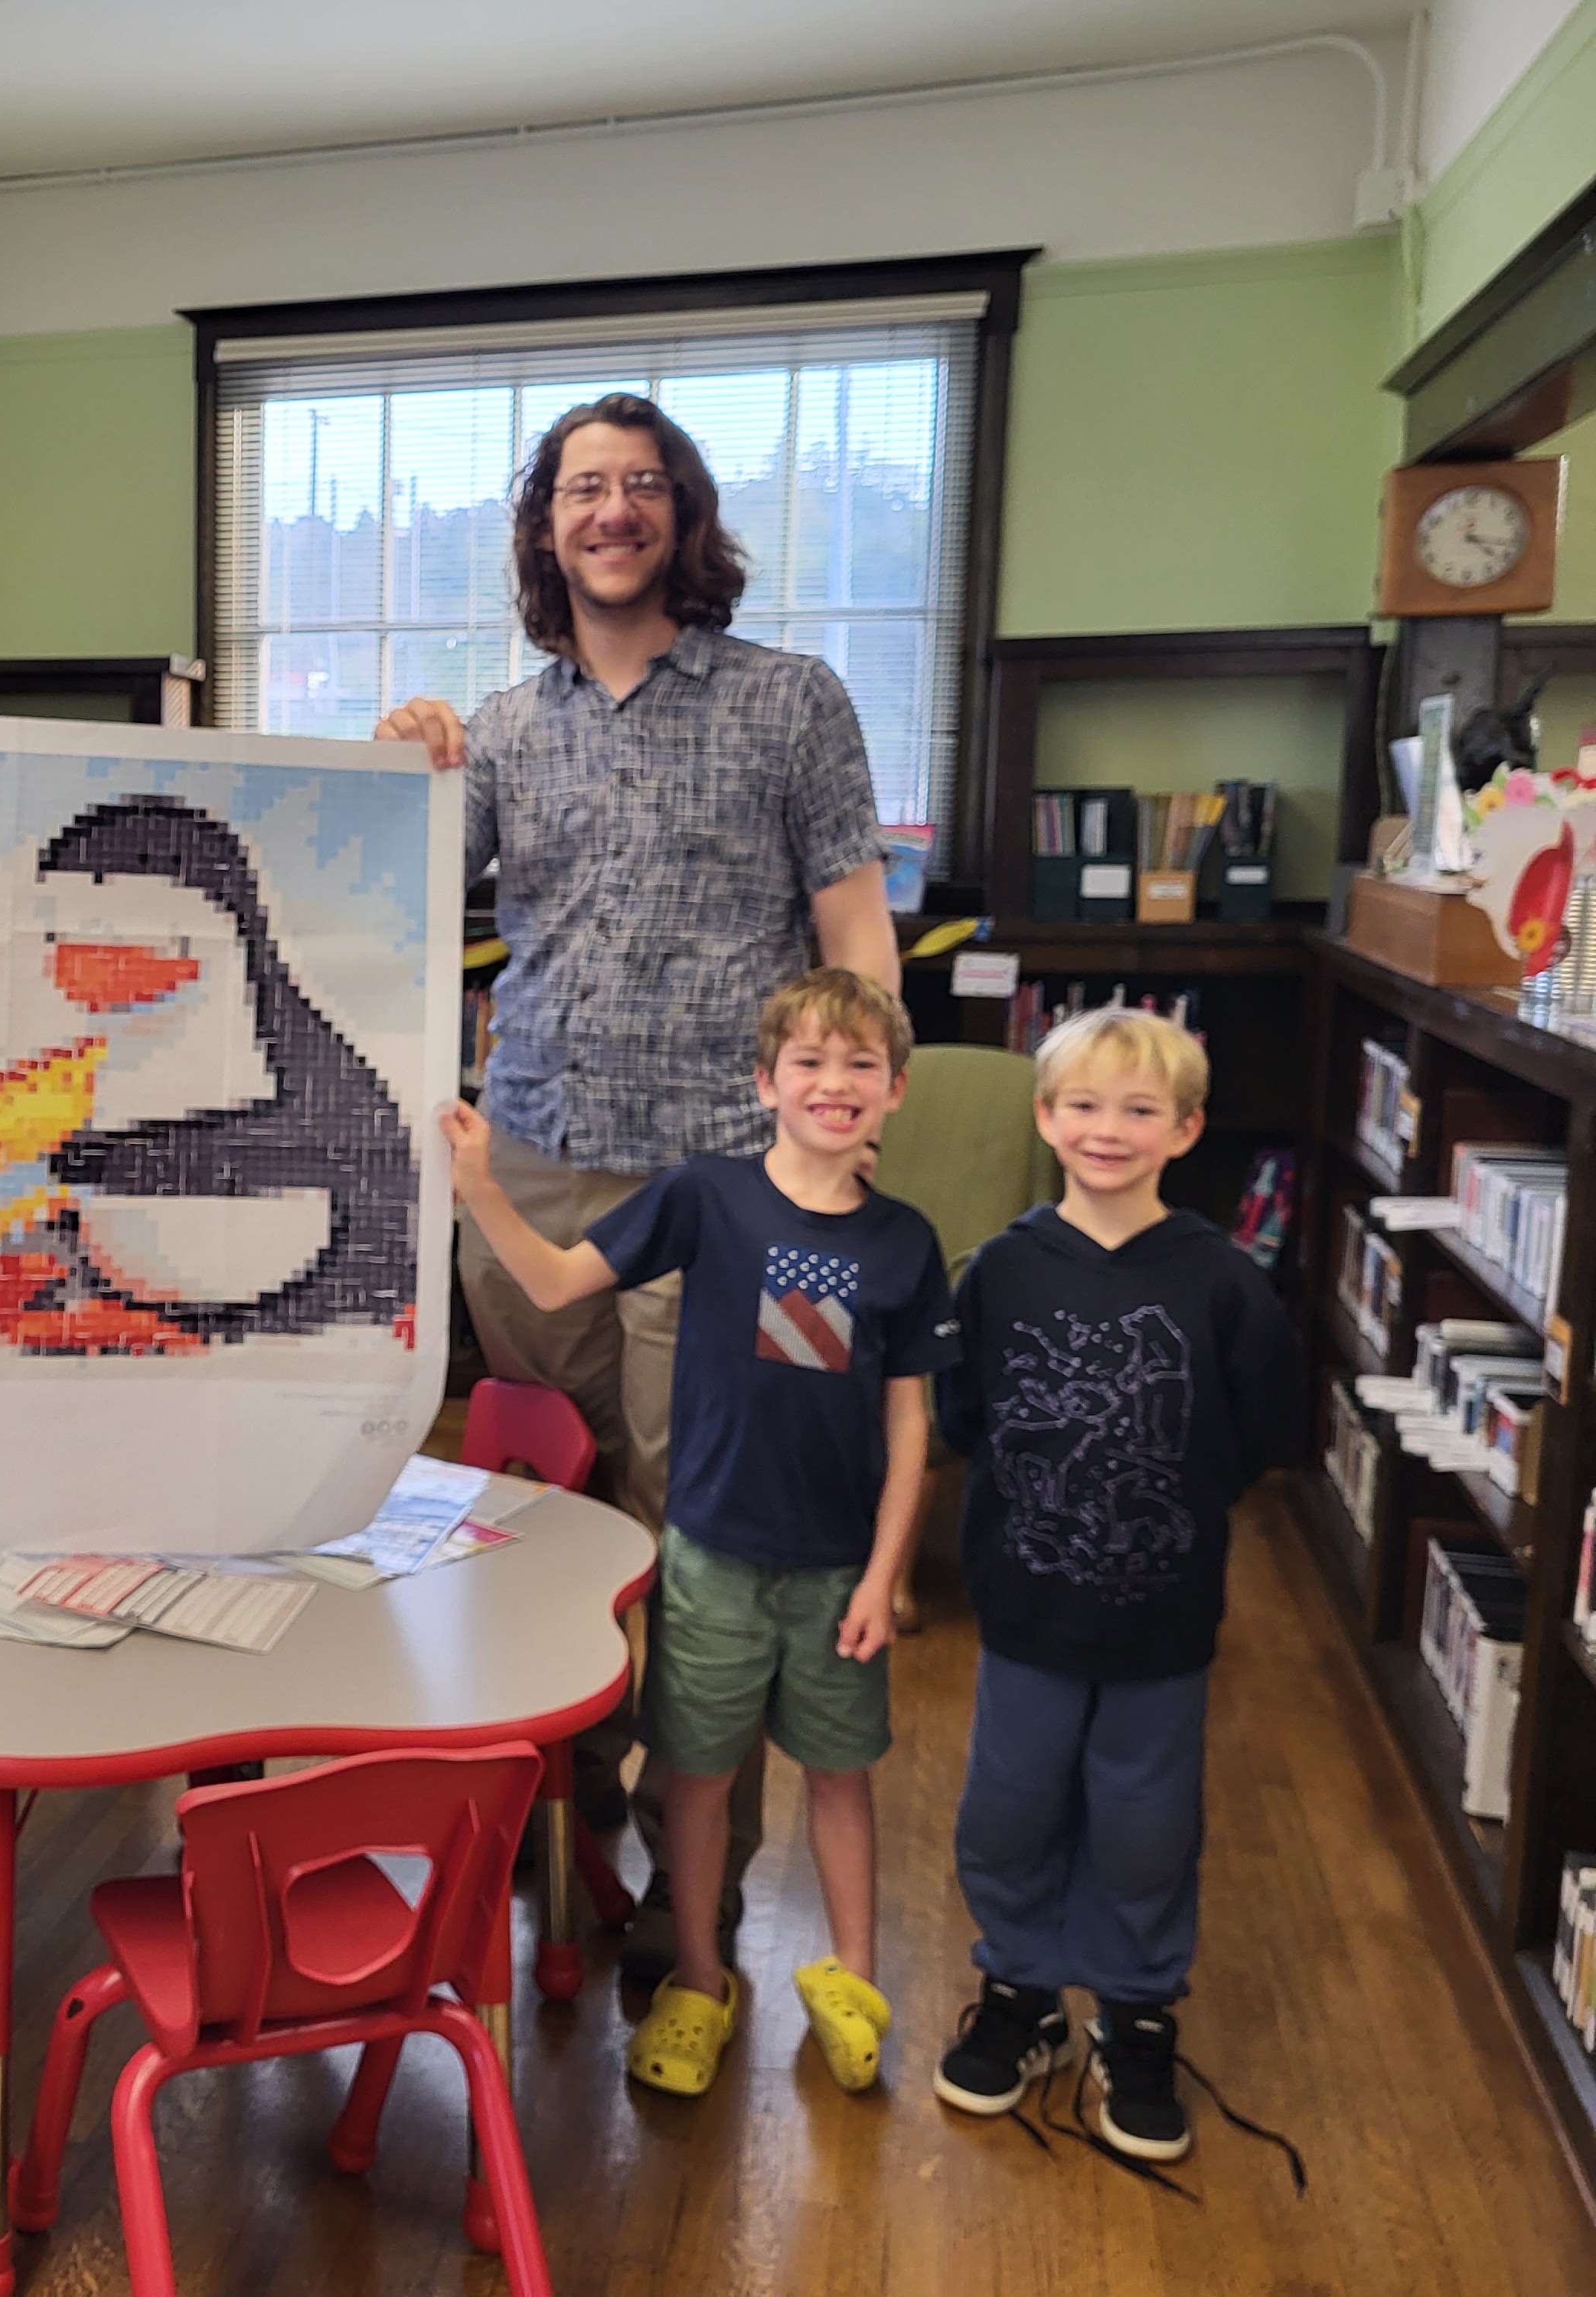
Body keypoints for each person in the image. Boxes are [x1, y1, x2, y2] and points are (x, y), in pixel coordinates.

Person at [379, 390, 902, 1983]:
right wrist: (396, 766)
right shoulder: (501, 730)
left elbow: (852, 924)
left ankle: (696, 1908)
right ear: (544, 532)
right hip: (531, 1175)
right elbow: (387, 899)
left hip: (739, 1189)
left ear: (683, 516)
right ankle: (569, 1823)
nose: (611, 510)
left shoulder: (789, 701)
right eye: (580, 489)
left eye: (641, 485)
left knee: (715, 1546)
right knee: (548, 1511)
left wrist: (852, 1124)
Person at [443, 969, 951, 2096]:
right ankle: (699, 1982)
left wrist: (887, 1576)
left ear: (896, 1090)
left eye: (861, 1064)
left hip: (838, 1577)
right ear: (763, 1082)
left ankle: (857, 1982)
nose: (834, 1083)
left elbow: (909, 1423)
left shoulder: (906, 1244)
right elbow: (557, 1282)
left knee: (841, 1778)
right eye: (809, 1062)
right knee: (700, 1777)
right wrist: (479, 1188)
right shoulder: (704, 1195)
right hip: (712, 1559)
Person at [931, 1008, 1301, 2166]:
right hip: (1026, 1611)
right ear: (1045, 1118)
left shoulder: (1224, 1282)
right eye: (1084, 1105)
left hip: (1161, 1619)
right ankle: (1022, 1991)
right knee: (1009, 1807)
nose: (1108, 1129)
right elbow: (964, 1417)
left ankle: (1136, 2014)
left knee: (1147, 1823)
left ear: (1185, 1130)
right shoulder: (999, 1271)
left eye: (1141, 1110)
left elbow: (1261, 1431)